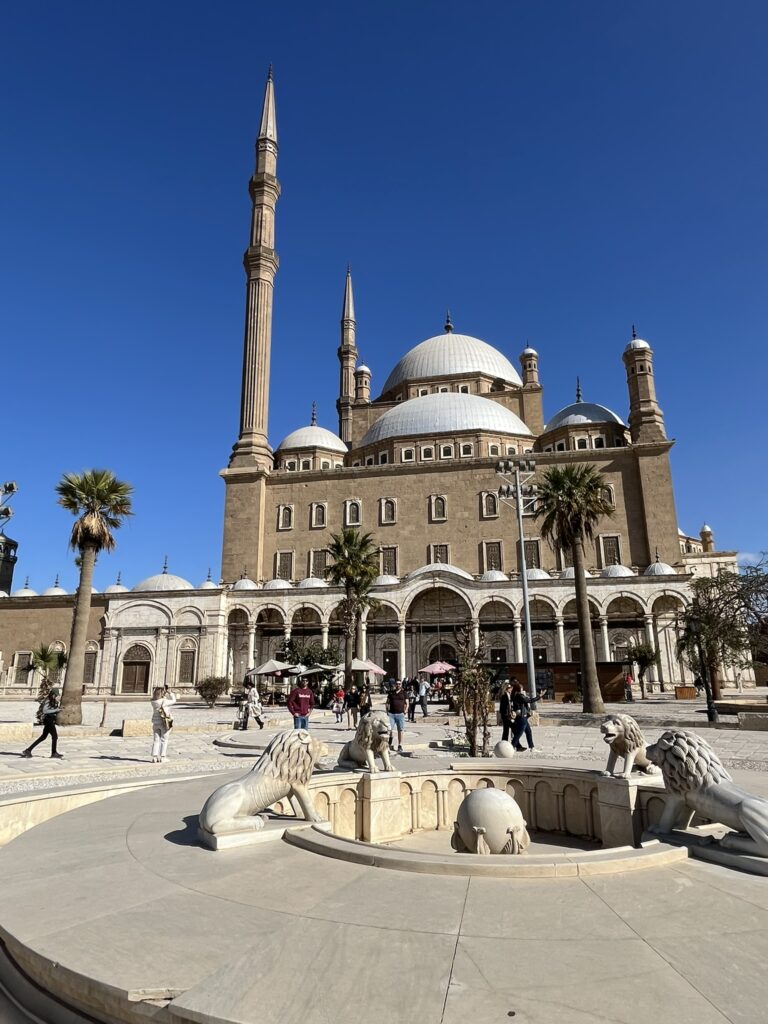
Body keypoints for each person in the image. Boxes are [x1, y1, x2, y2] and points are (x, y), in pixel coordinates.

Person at [21, 687, 63, 759]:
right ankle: (54, 753)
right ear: (52, 694)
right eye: (55, 695)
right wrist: (56, 710)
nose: (56, 696)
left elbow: (52, 709)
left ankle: (28, 750)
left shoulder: (53, 701)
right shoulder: (48, 700)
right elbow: (45, 711)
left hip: (50, 720)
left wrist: (58, 709)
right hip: (48, 720)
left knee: (43, 737)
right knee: (54, 736)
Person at [150, 685, 177, 762]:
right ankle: (163, 757)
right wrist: (170, 693)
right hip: (164, 723)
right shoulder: (164, 701)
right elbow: (174, 700)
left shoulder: (153, 701)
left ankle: (154, 757)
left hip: (155, 723)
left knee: (156, 740)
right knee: (164, 740)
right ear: (162, 693)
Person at [511, 681, 535, 751]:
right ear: (518, 689)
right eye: (521, 688)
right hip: (522, 717)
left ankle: (532, 747)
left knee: (528, 732)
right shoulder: (519, 696)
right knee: (519, 733)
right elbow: (530, 700)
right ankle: (512, 746)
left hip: (523, 716)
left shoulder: (517, 695)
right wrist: (540, 696)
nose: (522, 689)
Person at [386, 679, 407, 753]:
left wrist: (405, 710)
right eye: (397, 684)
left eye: (399, 684)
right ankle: (389, 741)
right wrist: (387, 711)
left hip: (400, 714)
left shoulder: (404, 693)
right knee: (389, 729)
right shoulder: (391, 693)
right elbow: (387, 702)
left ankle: (400, 745)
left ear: (401, 685)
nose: (398, 685)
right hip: (391, 714)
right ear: (395, 685)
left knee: (400, 730)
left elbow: (407, 703)